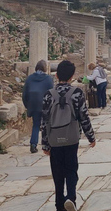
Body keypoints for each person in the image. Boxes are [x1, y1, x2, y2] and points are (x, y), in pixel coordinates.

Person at [41, 60, 96, 211]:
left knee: (57, 173)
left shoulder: (48, 95)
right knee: (72, 169)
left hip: (54, 139)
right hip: (71, 138)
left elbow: (44, 121)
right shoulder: (77, 93)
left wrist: (45, 144)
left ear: (57, 75)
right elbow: (84, 117)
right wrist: (91, 136)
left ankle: (59, 204)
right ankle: (71, 197)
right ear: (72, 76)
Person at [22, 60, 54, 153]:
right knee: (47, 125)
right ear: (45, 68)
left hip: (34, 105)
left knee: (36, 125)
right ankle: (48, 144)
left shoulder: (29, 78)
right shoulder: (48, 79)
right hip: (45, 105)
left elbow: (24, 94)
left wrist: (27, 106)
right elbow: (52, 93)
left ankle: (33, 144)